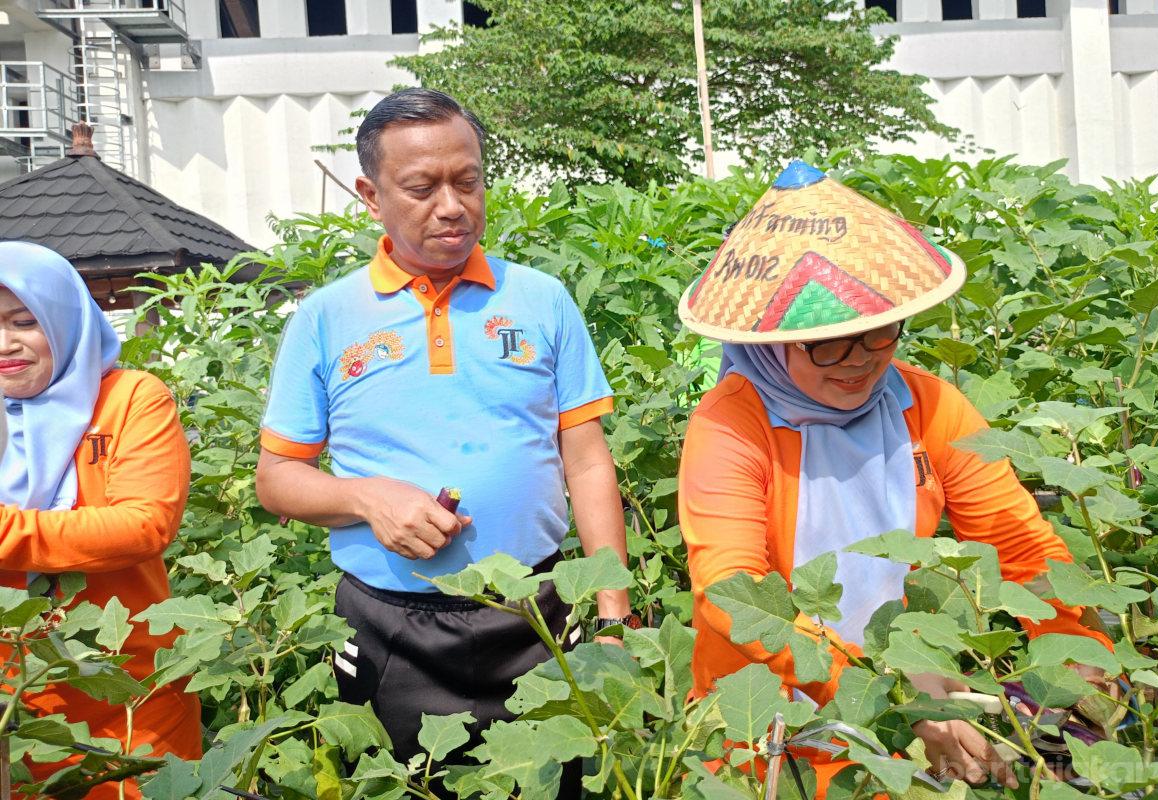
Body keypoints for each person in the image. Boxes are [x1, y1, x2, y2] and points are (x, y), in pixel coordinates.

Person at [676, 162, 1113, 794]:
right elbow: (730, 595)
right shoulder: (730, 427)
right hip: (759, 728)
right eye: (828, 343)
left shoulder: (928, 406)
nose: (859, 360)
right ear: (771, 343)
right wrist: (888, 691)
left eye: (879, 331)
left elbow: (1018, 546)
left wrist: (1080, 655)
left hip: (894, 713)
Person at [254, 88, 631, 776]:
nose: (452, 206)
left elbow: (587, 464)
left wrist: (612, 615)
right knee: (404, 787)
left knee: (550, 785)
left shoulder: (541, 300)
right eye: (422, 188)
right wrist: (369, 498)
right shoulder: (325, 318)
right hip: (390, 629)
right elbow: (276, 480)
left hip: (538, 616)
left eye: (468, 181)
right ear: (371, 196)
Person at [0, 241, 202, 798]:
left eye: (24, 321)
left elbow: (142, 525)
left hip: (129, 696)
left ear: (64, 319)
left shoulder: (131, 399)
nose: (5, 343)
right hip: (14, 705)